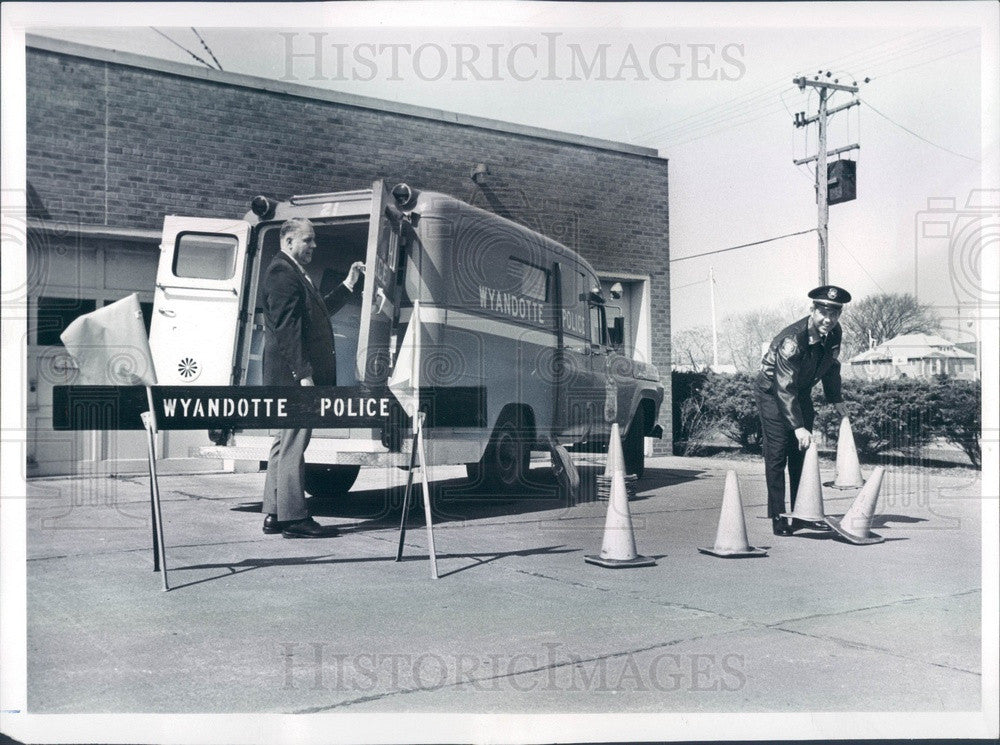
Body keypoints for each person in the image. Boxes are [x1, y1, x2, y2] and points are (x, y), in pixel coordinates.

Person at [261, 217, 365, 538]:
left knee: (283, 444)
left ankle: (274, 513)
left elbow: (316, 312)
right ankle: (294, 518)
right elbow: (287, 329)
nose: (313, 246)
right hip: (293, 379)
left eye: (313, 240)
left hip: (287, 378)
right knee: (294, 446)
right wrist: (304, 374)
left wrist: (348, 284)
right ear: (289, 241)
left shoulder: (293, 271)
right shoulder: (282, 272)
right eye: (308, 240)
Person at [754, 285, 851, 536]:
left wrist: (835, 398)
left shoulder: (834, 332)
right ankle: (778, 516)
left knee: (801, 452)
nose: (828, 320)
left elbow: (831, 366)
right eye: (823, 313)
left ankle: (801, 514)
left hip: (800, 392)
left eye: (834, 314)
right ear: (812, 310)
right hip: (772, 393)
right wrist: (797, 427)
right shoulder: (792, 339)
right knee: (777, 454)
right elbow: (783, 386)